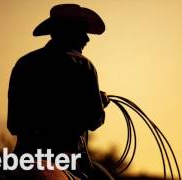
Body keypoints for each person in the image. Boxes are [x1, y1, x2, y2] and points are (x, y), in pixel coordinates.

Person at [7, 4, 112, 180]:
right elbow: (94, 120)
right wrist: (100, 103)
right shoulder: (83, 65)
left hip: (21, 155)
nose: (87, 38)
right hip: (66, 157)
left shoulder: (24, 63)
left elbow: (13, 124)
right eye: (82, 31)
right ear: (70, 32)